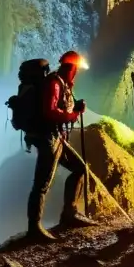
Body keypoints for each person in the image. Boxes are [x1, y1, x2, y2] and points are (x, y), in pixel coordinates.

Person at [27, 50, 94, 242]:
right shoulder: (54, 83)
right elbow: (50, 112)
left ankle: (69, 214)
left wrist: (75, 106)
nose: (77, 73)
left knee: (80, 168)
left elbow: (61, 107)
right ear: (71, 67)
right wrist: (73, 115)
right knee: (42, 183)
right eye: (76, 69)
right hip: (48, 137)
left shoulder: (61, 83)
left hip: (57, 136)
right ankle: (34, 228)